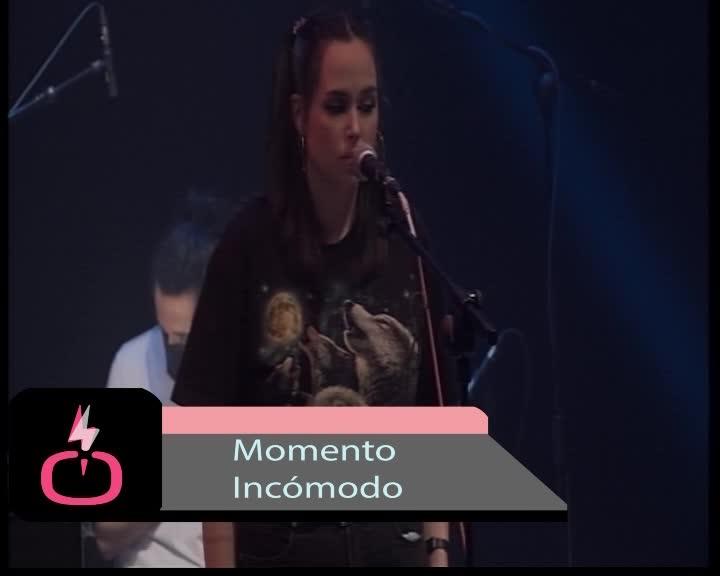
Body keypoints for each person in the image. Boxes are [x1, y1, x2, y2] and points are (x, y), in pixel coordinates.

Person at [172, 10, 458, 568]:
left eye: (367, 105)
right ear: (300, 115)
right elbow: (207, 433)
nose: (355, 126)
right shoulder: (249, 243)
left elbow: (434, 415)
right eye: (336, 106)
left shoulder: (402, 232)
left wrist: (438, 549)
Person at [95, 191, 236, 568]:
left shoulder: (260, 369)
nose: (171, 347)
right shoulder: (132, 360)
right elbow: (106, 532)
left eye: (185, 338)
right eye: (164, 332)